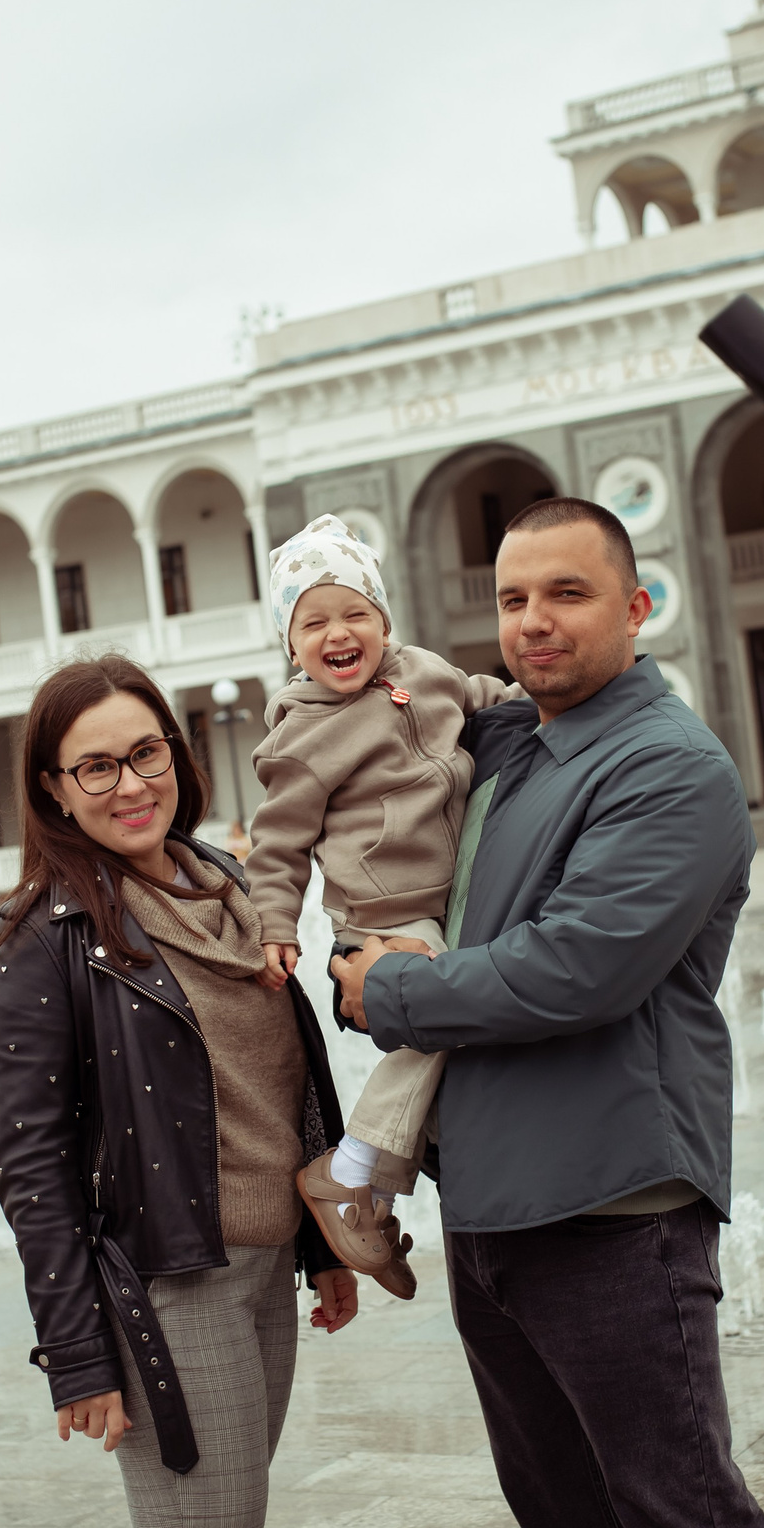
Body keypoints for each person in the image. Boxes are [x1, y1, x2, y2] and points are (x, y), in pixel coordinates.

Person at [331, 497, 764, 1528]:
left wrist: (383, 989)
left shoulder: (667, 766)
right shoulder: (515, 745)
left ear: (636, 609)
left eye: (567, 594)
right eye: (512, 599)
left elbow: (574, 969)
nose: (533, 621)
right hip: (495, 1209)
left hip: (612, 1214)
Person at [0, 656, 359, 1528]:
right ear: (54, 790)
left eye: (145, 752)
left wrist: (327, 1247)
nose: (132, 783)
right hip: (166, 1285)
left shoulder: (225, 883)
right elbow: (31, 1167)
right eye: (95, 767)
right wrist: (76, 1354)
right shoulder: (43, 938)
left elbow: (277, 1087)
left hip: (264, 1267)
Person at [245, 513, 516, 1302]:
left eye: (355, 612)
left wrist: (552, 702)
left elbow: (486, 695)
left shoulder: (425, 672)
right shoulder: (302, 737)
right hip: (384, 912)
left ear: (385, 620)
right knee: (442, 1001)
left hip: (456, 894)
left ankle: (368, 1198)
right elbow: (278, 845)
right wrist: (273, 925)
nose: (338, 633)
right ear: (290, 645)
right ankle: (351, 1173)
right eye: (313, 621)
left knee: (461, 1027)